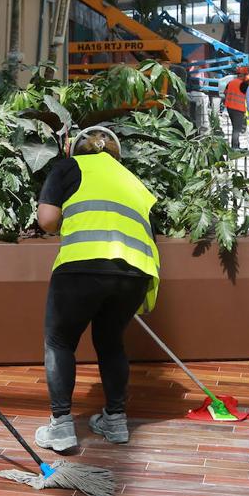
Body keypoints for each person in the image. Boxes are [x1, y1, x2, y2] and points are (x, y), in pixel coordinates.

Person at [34, 126, 160, 451]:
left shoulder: (69, 167)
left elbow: (47, 219)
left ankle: (61, 427)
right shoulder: (134, 181)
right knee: (110, 341)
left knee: (60, 341)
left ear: (74, 148)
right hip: (135, 271)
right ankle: (115, 421)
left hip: (82, 264)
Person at [223, 67, 249, 149]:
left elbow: (225, 92)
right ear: (244, 75)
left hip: (230, 107)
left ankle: (235, 145)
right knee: (236, 129)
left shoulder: (230, 83)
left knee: (235, 128)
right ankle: (235, 147)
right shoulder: (245, 84)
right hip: (239, 109)